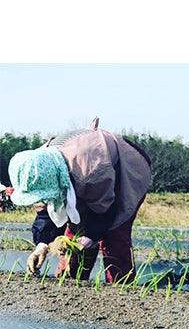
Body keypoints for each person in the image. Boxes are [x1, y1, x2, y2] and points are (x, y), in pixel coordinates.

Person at [8, 117, 152, 283]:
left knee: (113, 235)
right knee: (73, 235)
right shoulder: (34, 167)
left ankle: (121, 284)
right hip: (82, 168)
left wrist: (91, 236)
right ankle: (70, 280)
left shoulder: (91, 175)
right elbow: (47, 211)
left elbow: (106, 211)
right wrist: (42, 244)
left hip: (125, 168)